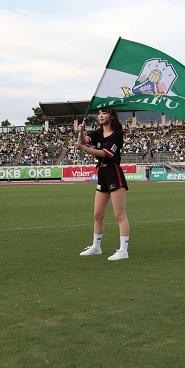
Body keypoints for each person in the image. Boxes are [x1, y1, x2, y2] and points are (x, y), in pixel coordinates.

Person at [75, 108, 130, 261]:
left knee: (119, 215)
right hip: (102, 173)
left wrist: (84, 149)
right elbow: (84, 141)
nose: (100, 115)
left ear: (112, 116)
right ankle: (96, 247)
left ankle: (123, 251)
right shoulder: (97, 132)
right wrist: (81, 132)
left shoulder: (117, 134)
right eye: (99, 113)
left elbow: (105, 153)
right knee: (98, 214)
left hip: (114, 172)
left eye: (104, 113)